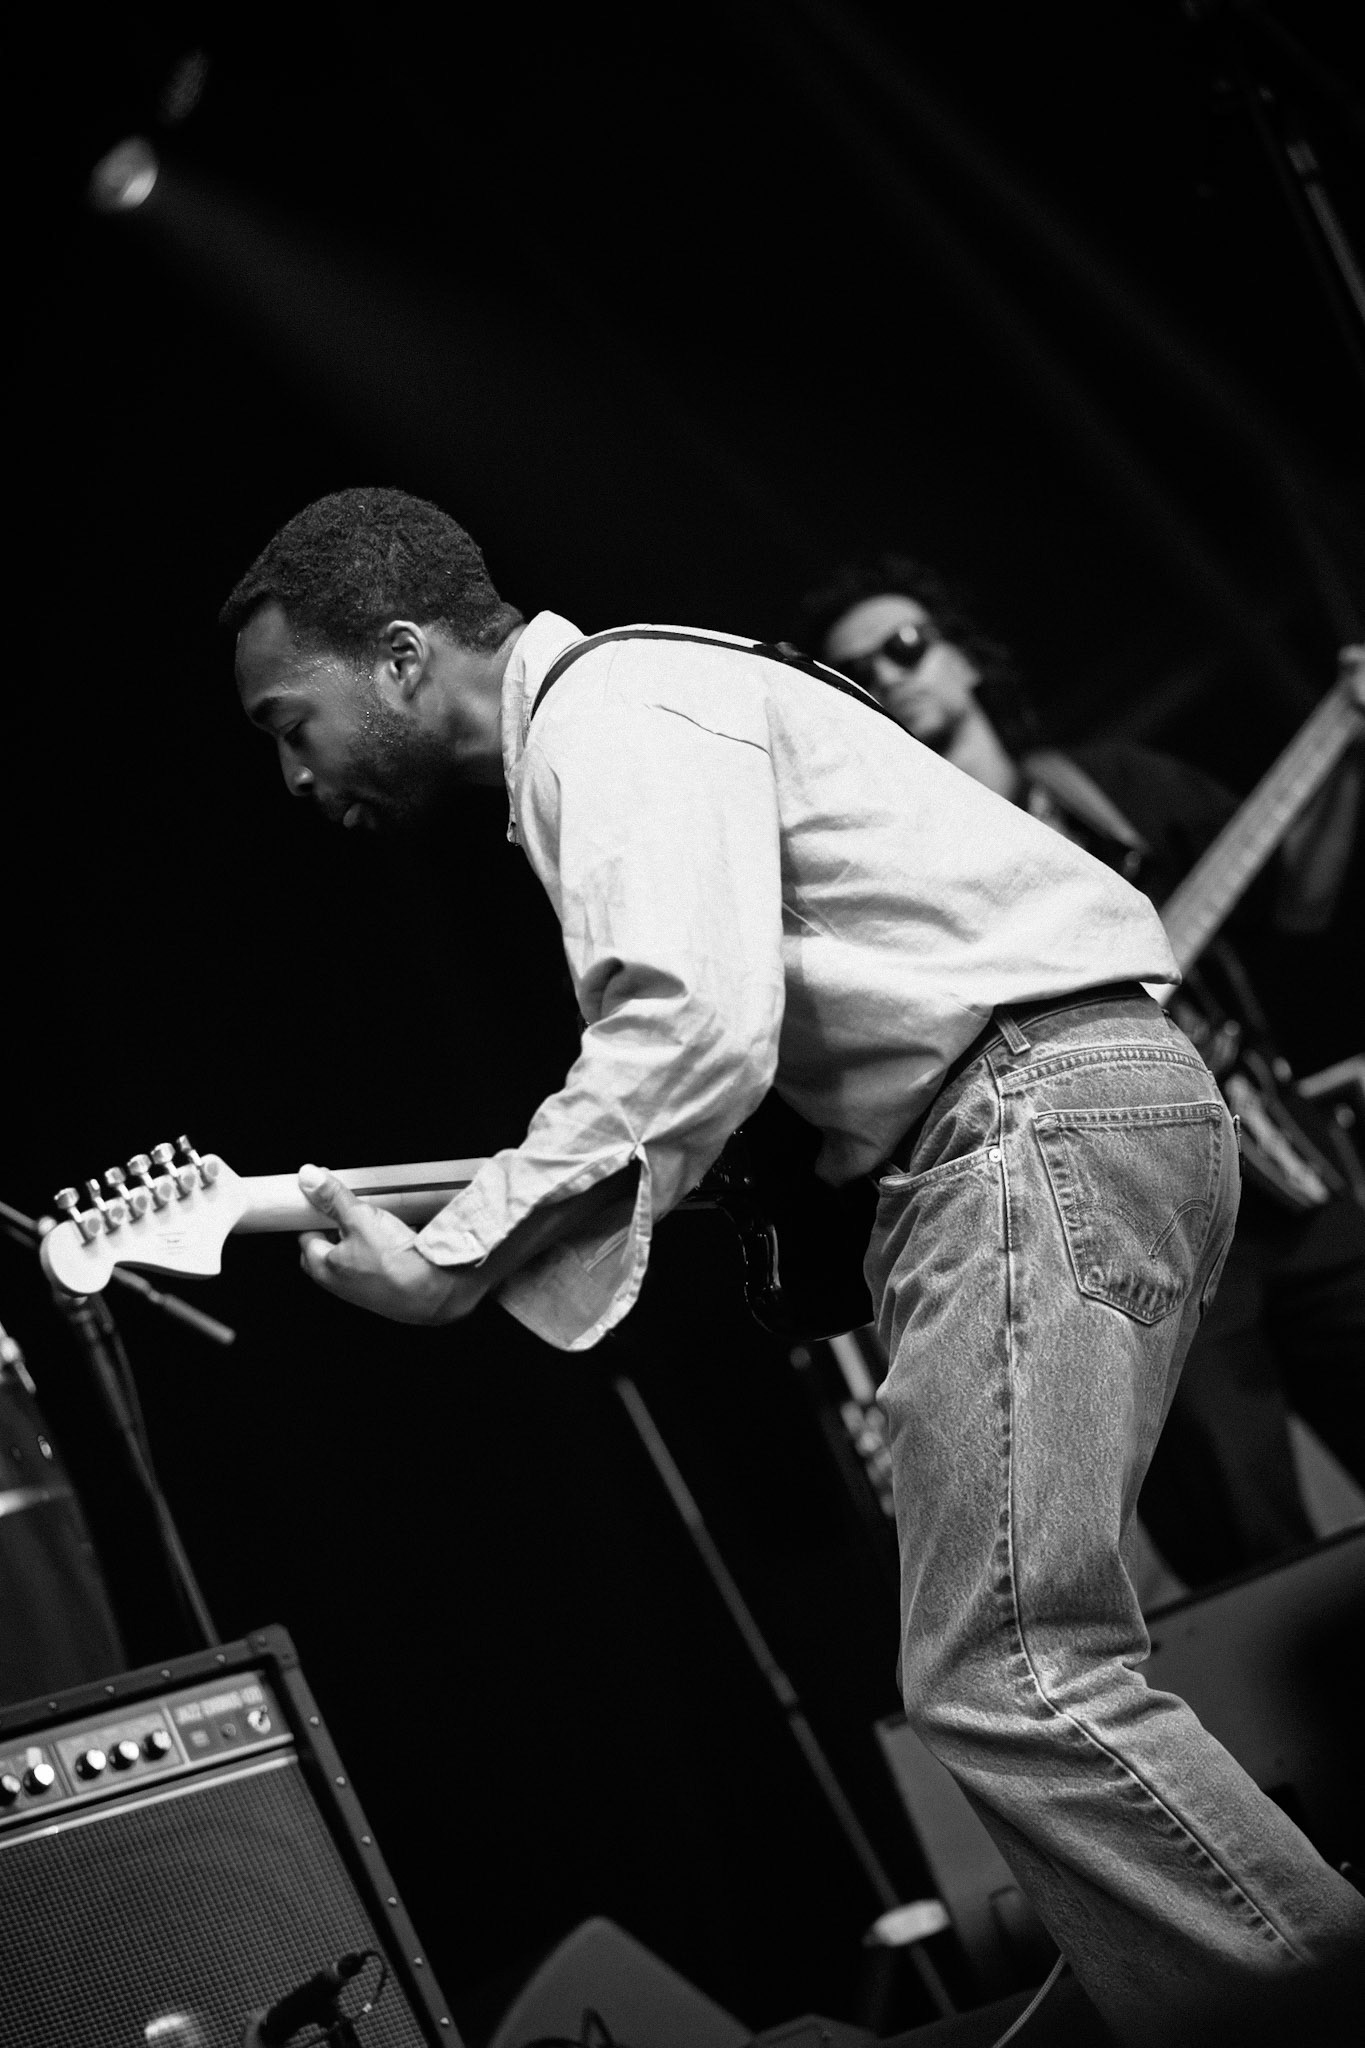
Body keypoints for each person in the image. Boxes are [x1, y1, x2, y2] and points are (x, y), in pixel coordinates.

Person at [221, 488, 1363, 2042]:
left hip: (1028, 1113)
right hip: (1054, 1111)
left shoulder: (612, 711)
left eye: (293, 723)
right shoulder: (638, 701)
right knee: (1010, 1669)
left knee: (1009, 1675)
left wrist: (463, 1255)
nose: (291, 775)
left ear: (406, 656)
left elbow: (685, 1025)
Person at [802, 553, 1365, 1590]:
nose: (895, 674)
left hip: (1290, 1176)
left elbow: (1301, 901)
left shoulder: (1110, 790)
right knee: (1254, 1547)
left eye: (908, 645)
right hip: (1137, 1240)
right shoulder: (901, 885)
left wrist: (1351, 744)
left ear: (966, 657)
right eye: (863, 671)